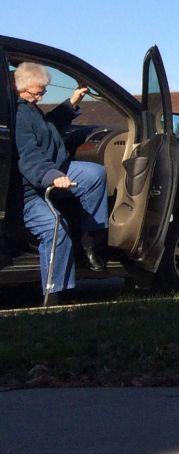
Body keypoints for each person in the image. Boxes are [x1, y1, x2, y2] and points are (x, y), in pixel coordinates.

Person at [11, 63, 108, 303]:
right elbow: (28, 156)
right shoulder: (18, 114)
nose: (41, 97)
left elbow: (48, 127)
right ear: (20, 89)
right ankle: (54, 295)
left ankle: (89, 241)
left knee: (95, 175)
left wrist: (72, 102)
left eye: (43, 91)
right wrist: (52, 176)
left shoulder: (30, 108)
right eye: (37, 92)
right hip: (29, 191)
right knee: (56, 228)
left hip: (55, 168)